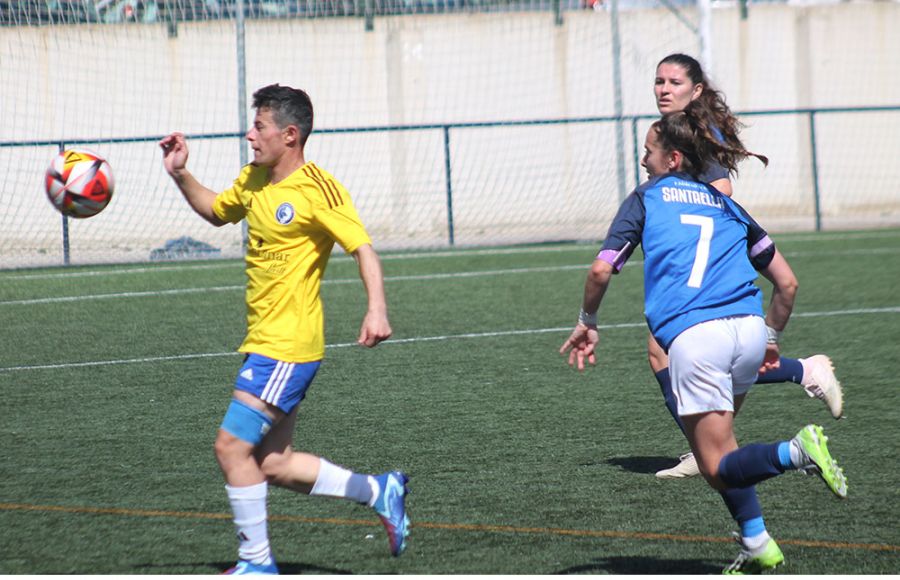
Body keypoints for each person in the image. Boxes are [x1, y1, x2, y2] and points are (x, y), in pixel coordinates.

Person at [560, 108, 848, 573]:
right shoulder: (728, 205)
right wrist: (770, 339)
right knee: (722, 448)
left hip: (698, 341)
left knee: (714, 466)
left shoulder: (646, 198)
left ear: (673, 159)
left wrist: (587, 319)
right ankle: (757, 541)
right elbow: (787, 284)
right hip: (750, 330)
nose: (642, 160)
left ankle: (797, 451)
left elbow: (600, 269)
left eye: (648, 152)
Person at [159, 84, 410, 575]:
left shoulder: (321, 189)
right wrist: (181, 173)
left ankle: (256, 564)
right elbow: (216, 211)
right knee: (272, 463)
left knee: (231, 447)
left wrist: (376, 309)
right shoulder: (254, 178)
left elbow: (363, 249)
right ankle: (380, 490)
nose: (250, 135)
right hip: (266, 342)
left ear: (289, 134)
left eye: (260, 127)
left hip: (288, 346)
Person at [650, 53, 843, 479]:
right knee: (685, 353)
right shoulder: (675, 130)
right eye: (659, 81)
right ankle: (706, 447)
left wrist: (685, 213)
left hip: (709, 254)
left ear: (696, 90)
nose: (664, 89)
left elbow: (722, 186)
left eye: (674, 82)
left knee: (696, 350)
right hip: (699, 251)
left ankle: (802, 373)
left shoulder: (698, 131)